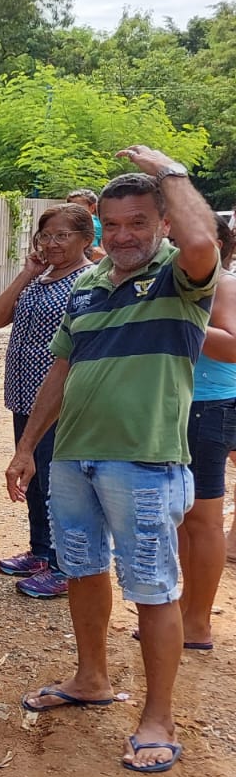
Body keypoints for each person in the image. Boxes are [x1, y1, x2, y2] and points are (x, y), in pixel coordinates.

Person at [8, 148, 220, 775]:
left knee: (153, 588)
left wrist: (171, 173)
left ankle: (158, 716)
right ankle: (91, 678)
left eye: (139, 223)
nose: (125, 235)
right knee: (81, 569)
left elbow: (203, 235)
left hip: (145, 462)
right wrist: (26, 448)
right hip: (74, 456)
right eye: (114, 224)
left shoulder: (181, 277)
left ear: (162, 225)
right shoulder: (89, 285)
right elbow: (61, 369)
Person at [0, 203, 93, 598]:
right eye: (45, 235)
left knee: (57, 482)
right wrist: (28, 272)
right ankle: (42, 550)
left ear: (86, 239)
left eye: (62, 235)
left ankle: (66, 565)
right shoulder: (38, 277)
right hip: (23, 394)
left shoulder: (90, 280)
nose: (52, 243)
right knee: (31, 475)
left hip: (61, 398)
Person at [169, 216, 236, 650]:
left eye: (181, 241)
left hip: (207, 407)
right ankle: (179, 615)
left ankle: (196, 624)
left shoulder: (223, 286)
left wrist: (181, 315)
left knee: (203, 520)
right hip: (182, 406)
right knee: (180, 516)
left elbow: (231, 345)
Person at [68, 188, 105, 261]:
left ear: (92, 207)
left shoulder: (95, 224)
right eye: (69, 207)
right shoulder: (68, 223)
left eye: (77, 207)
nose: (72, 211)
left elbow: (96, 250)